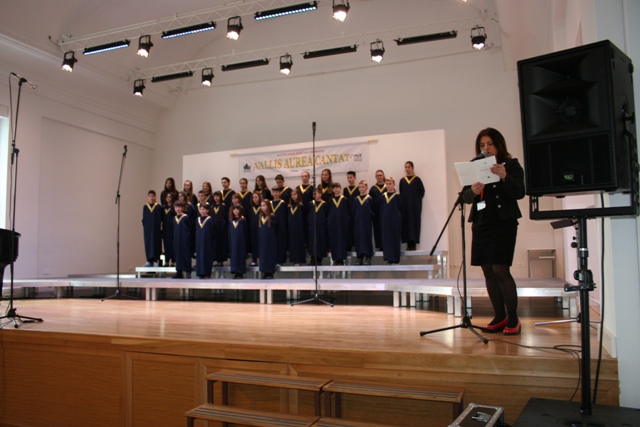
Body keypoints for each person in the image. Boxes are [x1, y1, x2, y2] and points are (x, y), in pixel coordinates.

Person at [461, 127, 525, 335]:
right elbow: (464, 197)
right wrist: (472, 192)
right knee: (487, 270)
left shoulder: (511, 165)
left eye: (490, 144)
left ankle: (513, 318)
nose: (486, 148)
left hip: (503, 223)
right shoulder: (474, 166)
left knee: (500, 270)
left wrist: (505, 176)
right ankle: (500, 316)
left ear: (499, 144)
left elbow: (520, 192)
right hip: (482, 223)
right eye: (482, 145)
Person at [400, 161, 425, 251]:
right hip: (405, 207)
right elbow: (401, 193)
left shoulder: (417, 180)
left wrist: (416, 200)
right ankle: (408, 244)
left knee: (414, 223)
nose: (407, 169)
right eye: (406, 167)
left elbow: (422, 192)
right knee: (406, 223)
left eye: (409, 167)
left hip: (414, 206)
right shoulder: (402, 181)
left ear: (412, 168)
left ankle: (413, 244)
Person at [352, 180, 374, 265]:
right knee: (358, 238)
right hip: (358, 222)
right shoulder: (356, 199)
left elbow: (372, 210)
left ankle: (368, 256)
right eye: (360, 187)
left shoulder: (369, 198)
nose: (361, 189)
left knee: (367, 238)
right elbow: (353, 211)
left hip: (366, 222)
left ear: (367, 188)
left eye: (363, 187)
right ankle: (359, 257)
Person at [380, 177, 402, 265]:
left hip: (395, 220)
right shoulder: (383, 196)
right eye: (387, 184)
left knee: (394, 238)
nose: (388, 186)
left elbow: (400, 208)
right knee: (387, 238)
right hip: (386, 220)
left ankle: (395, 258)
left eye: (390, 184)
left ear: (394, 184)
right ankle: (388, 257)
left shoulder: (397, 196)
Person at [327, 182, 349, 265]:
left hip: (342, 224)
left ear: (340, 188)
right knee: (334, 241)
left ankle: (341, 258)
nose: (336, 189)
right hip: (333, 224)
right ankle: (335, 258)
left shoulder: (344, 199)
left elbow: (346, 212)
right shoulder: (331, 200)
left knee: (341, 240)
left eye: (337, 188)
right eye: (334, 188)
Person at [308, 185, 328, 266]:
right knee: (313, 242)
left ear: (320, 194)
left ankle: (319, 259)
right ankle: (312, 258)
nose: (314, 195)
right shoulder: (311, 203)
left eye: (316, 194)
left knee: (320, 242)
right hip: (312, 226)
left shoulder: (324, 204)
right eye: (313, 194)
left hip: (321, 227)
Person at [142, 190, 162, 267]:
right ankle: (149, 260)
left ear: (155, 197)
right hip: (148, 229)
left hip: (156, 229)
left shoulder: (158, 207)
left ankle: (156, 260)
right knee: (148, 243)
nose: (151, 198)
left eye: (153, 196)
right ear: (148, 197)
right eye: (150, 196)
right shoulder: (145, 207)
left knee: (156, 243)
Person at [195, 203, 215, 279]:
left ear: (207, 210)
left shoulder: (209, 219)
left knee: (206, 256)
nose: (202, 211)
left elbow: (213, 231)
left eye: (203, 209)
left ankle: (207, 273)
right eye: (201, 209)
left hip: (207, 241)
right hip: (199, 241)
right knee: (200, 256)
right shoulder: (197, 219)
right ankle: (200, 272)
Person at [258, 200, 277, 279]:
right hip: (262, 239)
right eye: (261, 206)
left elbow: (276, 228)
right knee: (263, 255)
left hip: (270, 239)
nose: (262, 207)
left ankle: (270, 272)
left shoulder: (272, 216)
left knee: (269, 255)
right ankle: (264, 271)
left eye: (264, 206)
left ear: (268, 206)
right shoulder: (260, 217)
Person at [172, 201, 192, 279]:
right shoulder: (174, 218)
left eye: (179, 207)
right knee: (178, 255)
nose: (178, 209)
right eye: (176, 207)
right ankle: (179, 272)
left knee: (185, 254)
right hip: (177, 239)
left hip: (184, 239)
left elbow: (189, 228)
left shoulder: (185, 217)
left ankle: (187, 271)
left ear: (183, 208)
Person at [287, 188, 306, 265]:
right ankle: (294, 259)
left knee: (299, 243)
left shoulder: (301, 206)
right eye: (292, 195)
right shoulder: (290, 206)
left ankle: (299, 260)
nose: (293, 196)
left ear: (298, 195)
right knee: (292, 243)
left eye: (295, 194)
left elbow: (304, 218)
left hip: (299, 228)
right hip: (291, 228)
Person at [228, 205, 248, 279]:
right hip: (233, 242)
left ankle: (240, 272)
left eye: (237, 209)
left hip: (241, 241)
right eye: (234, 210)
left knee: (240, 255)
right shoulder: (231, 221)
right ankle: (235, 271)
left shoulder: (243, 220)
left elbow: (246, 232)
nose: (236, 211)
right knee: (234, 256)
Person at [369, 170, 387, 250]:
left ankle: (385, 245)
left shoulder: (387, 186)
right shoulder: (373, 188)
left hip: (386, 212)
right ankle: (379, 246)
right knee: (377, 229)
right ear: (375, 177)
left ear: (383, 176)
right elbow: (370, 201)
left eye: (380, 175)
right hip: (376, 213)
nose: (379, 177)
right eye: (377, 175)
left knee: (385, 229)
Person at [271, 186, 288, 265]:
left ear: (280, 193)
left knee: (281, 243)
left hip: (281, 226)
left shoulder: (283, 203)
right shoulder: (270, 203)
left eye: (277, 192)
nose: (275, 194)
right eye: (274, 192)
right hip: (272, 226)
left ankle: (280, 260)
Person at [210, 191, 228, 267]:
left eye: (218, 196)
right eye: (215, 196)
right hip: (213, 229)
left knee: (221, 244)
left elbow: (226, 217)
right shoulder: (211, 207)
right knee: (214, 244)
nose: (216, 198)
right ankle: (214, 259)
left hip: (221, 229)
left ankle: (220, 261)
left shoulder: (223, 206)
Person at [343, 171, 358, 251]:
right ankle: (348, 246)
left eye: (351, 177)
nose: (349, 179)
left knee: (356, 230)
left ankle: (357, 246)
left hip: (356, 213)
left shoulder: (358, 188)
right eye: (348, 178)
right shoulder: (345, 189)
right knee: (348, 231)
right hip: (348, 213)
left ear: (355, 178)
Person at [248, 191, 262, 267]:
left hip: (261, 228)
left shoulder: (262, 207)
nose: (255, 199)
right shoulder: (251, 208)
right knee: (254, 244)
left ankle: (262, 259)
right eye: (253, 197)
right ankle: (254, 260)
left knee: (261, 244)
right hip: (253, 229)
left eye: (256, 197)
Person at [162, 192, 176, 267]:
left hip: (172, 228)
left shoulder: (174, 208)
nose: (168, 198)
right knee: (166, 244)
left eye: (170, 197)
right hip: (165, 228)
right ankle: (167, 261)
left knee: (172, 244)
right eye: (167, 197)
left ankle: (173, 261)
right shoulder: (163, 208)